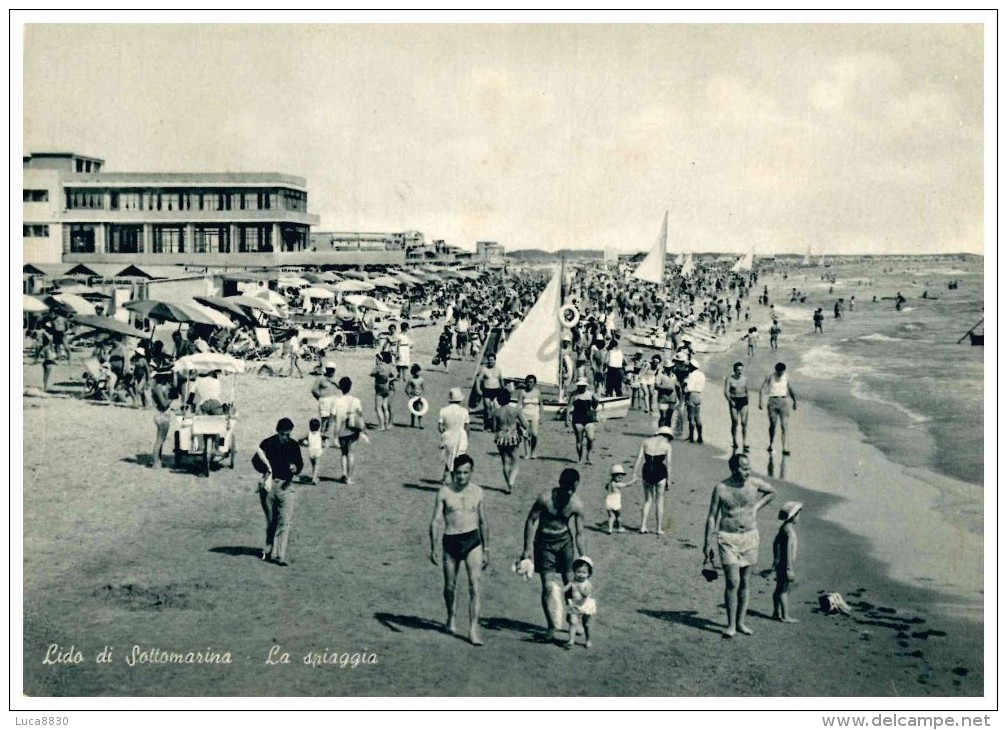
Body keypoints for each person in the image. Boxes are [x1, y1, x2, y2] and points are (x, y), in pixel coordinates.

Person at [702, 453, 777, 637]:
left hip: (750, 536)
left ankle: (741, 623)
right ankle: (731, 625)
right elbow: (712, 516)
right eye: (744, 469)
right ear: (734, 469)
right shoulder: (721, 488)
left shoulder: (754, 484)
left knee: (745, 582)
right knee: (732, 582)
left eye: (749, 467)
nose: (748, 471)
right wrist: (707, 541)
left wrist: (756, 508)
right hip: (728, 537)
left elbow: (772, 492)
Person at [519, 468, 587, 643]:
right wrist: (527, 548)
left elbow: (580, 533)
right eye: (567, 488)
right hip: (544, 544)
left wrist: (584, 558)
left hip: (565, 543)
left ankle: (575, 620)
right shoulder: (545, 499)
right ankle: (550, 627)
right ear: (560, 484)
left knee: (571, 585)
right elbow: (531, 520)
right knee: (548, 587)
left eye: (573, 489)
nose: (570, 492)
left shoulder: (576, 504)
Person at [429, 454, 488, 646]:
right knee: (450, 586)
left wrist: (486, 548)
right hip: (451, 540)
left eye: (466, 473)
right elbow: (436, 520)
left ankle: (472, 629)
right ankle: (451, 616)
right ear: (453, 472)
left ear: (471, 472)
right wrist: (433, 546)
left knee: (475, 586)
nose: (462, 477)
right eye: (458, 473)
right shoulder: (444, 492)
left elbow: (483, 521)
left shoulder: (478, 492)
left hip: (472, 540)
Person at [252, 418, 305, 567]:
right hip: (269, 487)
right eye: (283, 434)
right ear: (278, 431)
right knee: (272, 522)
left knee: (285, 522)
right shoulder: (268, 443)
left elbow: (300, 463)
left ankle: (280, 555)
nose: (285, 437)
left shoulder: (294, 445)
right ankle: (269, 548)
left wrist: (296, 468)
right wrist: (266, 470)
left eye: (288, 434)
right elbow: (255, 461)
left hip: (286, 487)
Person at [632, 426, 674, 535]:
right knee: (659, 501)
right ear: (668, 436)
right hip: (660, 471)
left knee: (648, 500)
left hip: (647, 471)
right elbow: (669, 464)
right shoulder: (667, 446)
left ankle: (642, 526)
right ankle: (658, 528)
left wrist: (634, 473)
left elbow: (639, 458)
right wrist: (669, 479)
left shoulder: (646, 441)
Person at [331, 376, 366, 484]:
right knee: (351, 453)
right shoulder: (355, 400)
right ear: (350, 387)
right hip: (352, 429)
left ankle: (344, 474)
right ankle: (349, 478)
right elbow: (360, 414)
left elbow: (332, 416)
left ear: (340, 388)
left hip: (341, 430)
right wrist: (363, 427)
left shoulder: (337, 401)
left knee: (343, 453)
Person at [493, 389, 529, 494]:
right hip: (513, 435)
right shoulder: (515, 410)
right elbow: (525, 425)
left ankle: (508, 483)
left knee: (505, 461)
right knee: (515, 461)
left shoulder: (496, 412)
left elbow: (494, 427)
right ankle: (511, 482)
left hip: (501, 436)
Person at [772, 501, 802, 623]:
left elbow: (775, 543)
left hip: (780, 563)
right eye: (798, 514)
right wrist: (789, 568)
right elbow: (789, 549)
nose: (799, 517)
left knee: (778, 589)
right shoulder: (789, 531)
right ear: (793, 516)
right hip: (785, 564)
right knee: (784, 590)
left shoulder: (783, 528)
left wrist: (775, 559)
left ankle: (776, 612)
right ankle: (785, 616)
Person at [759, 362, 798, 456]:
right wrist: (761, 401)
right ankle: (771, 444)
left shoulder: (786, 376)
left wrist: (795, 401)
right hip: (772, 401)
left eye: (782, 372)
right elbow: (762, 388)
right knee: (773, 425)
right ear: (776, 370)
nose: (780, 374)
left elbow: (791, 389)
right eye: (778, 372)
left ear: (784, 370)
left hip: (783, 402)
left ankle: (784, 448)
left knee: (784, 426)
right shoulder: (770, 376)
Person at [438, 388, 470, 484]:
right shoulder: (464, 411)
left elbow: (440, 427)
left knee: (449, 457)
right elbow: (467, 427)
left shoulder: (443, 410)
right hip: (461, 437)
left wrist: (445, 434)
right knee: (457, 458)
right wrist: (467, 438)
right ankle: (453, 479)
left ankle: (446, 477)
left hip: (449, 435)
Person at [564, 556, 596, 649]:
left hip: (585, 606)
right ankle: (571, 640)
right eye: (578, 572)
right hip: (575, 604)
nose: (581, 575)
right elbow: (565, 589)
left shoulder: (587, 584)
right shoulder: (573, 582)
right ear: (575, 572)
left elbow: (586, 594)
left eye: (584, 572)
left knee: (586, 625)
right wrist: (560, 590)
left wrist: (579, 588)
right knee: (573, 622)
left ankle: (588, 640)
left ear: (588, 574)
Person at [566, 378, 599, 465]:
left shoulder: (590, 394)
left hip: (588, 418)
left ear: (586, 386)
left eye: (583, 386)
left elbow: (595, 406)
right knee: (579, 440)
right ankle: (580, 458)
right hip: (577, 418)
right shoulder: (574, 395)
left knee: (590, 439)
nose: (581, 387)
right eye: (580, 386)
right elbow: (569, 407)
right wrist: (567, 420)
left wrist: (596, 400)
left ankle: (588, 455)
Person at [150, 370, 176, 468]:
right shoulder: (158, 388)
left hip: (162, 414)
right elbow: (164, 404)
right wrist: (172, 398)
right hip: (161, 414)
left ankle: (158, 461)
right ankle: (156, 462)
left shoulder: (159, 387)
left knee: (161, 440)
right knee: (159, 440)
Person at [311, 361, 341, 443]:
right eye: (330, 370)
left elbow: (341, 387)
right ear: (327, 370)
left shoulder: (335, 379)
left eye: (333, 370)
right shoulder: (321, 378)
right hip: (324, 401)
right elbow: (314, 390)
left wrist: (334, 382)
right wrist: (320, 397)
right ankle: (321, 437)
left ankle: (326, 434)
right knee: (324, 420)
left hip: (334, 400)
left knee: (332, 419)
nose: (332, 372)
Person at [724, 361, 750, 452]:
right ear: (734, 370)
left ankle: (745, 442)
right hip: (734, 400)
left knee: (744, 422)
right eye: (738, 370)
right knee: (735, 422)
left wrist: (748, 403)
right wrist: (730, 401)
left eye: (741, 370)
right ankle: (734, 440)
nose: (740, 372)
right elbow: (726, 392)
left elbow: (747, 392)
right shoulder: (729, 379)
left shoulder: (744, 379)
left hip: (743, 400)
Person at [604, 464, 635, 535]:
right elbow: (626, 484)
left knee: (611, 516)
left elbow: (606, 487)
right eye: (618, 475)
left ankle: (610, 529)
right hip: (616, 501)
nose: (620, 477)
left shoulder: (610, 483)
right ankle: (620, 527)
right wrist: (633, 481)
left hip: (609, 500)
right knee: (619, 515)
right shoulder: (617, 484)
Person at [516, 374, 542, 459]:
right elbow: (519, 404)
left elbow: (541, 405)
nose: (529, 384)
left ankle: (533, 451)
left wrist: (541, 416)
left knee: (534, 434)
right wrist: (517, 416)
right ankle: (527, 453)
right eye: (528, 382)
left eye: (531, 382)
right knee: (526, 435)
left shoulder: (538, 392)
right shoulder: (522, 392)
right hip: (524, 415)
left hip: (535, 415)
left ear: (534, 383)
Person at [475, 353, 503, 431]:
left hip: (496, 390)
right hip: (487, 390)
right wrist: (478, 389)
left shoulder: (498, 370)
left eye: (491, 360)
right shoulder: (484, 369)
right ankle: (487, 425)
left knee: (497, 408)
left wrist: (503, 390)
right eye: (489, 360)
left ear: (495, 360)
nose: (490, 361)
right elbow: (478, 379)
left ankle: (495, 426)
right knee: (487, 408)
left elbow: (501, 380)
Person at [370, 351, 397, 431]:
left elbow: (372, 373)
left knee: (378, 407)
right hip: (388, 388)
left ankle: (382, 426)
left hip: (380, 387)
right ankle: (387, 424)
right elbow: (395, 375)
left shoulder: (379, 367)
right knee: (385, 407)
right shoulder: (389, 366)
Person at [654, 359, 681, 431]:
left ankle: (667, 431)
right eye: (668, 368)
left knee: (669, 417)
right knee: (663, 416)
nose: (670, 369)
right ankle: (660, 431)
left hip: (672, 399)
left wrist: (680, 399)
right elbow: (656, 386)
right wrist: (666, 389)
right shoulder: (660, 375)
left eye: (671, 368)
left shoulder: (674, 376)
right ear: (665, 367)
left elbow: (677, 387)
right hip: (662, 399)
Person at [684, 358, 706, 444]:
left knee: (691, 418)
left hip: (691, 395)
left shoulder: (691, 375)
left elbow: (687, 388)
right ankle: (700, 437)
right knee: (698, 417)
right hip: (698, 395)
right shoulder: (702, 375)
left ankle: (691, 437)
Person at [298, 418, 324, 485]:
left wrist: (302, 444)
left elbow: (300, 438)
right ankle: (314, 479)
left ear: (310, 426)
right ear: (318, 427)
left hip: (311, 451)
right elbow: (325, 440)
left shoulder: (308, 434)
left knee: (313, 465)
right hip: (318, 450)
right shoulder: (320, 434)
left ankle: (314, 477)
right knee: (317, 465)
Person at [404, 364, 426, 428]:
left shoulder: (422, 380)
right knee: (413, 410)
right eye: (416, 372)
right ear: (413, 372)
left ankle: (420, 424)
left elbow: (423, 389)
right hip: (413, 397)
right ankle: (412, 423)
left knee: (420, 410)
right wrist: (409, 395)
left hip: (419, 397)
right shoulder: (411, 380)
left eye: (419, 371)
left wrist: (422, 396)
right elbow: (406, 389)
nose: (418, 373)